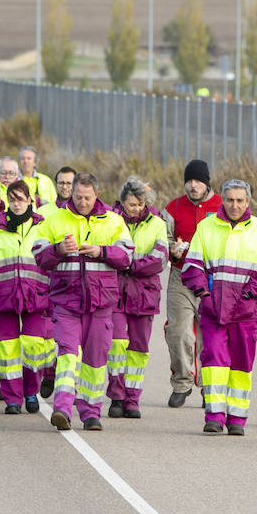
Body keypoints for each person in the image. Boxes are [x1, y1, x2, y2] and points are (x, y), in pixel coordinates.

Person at [32, 172, 133, 432]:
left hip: (101, 304)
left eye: (87, 198)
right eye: (78, 197)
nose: (83, 202)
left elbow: (127, 257)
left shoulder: (114, 221)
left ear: (96, 195)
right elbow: (39, 256)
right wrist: (58, 250)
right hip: (66, 301)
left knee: (96, 361)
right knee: (67, 355)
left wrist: (102, 251)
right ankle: (62, 409)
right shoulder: (53, 220)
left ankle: (90, 413)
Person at [182, 179, 257, 436]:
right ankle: (214, 415)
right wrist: (204, 294)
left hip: (246, 312)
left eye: (240, 200)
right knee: (214, 360)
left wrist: (248, 294)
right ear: (222, 200)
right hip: (213, 310)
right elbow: (192, 266)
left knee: (241, 365)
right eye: (230, 200)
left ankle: (237, 418)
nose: (234, 205)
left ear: (248, 202)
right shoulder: (206, 227)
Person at [0, 180, 47, 414]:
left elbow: (52, 265)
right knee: (7, 351)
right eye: (12, 199)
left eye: (21, 199)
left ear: (30, 200)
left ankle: (31, 392)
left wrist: (53, 297)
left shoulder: (42, 228)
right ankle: (13, 399)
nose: (17, 204)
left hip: (36, 299)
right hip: (4, 299)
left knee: (35, 347)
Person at [161, 159, 222, 407]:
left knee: (210, 335)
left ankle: (209, 386)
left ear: (207, 182)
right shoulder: (174, 207)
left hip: (212, 279)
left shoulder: (222, 206)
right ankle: (182, 383)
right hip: (181, 275)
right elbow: (162, 238)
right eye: (189, 181)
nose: (193, 186)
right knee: (179, 332)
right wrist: (170, 250)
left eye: (197, 181)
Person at [107, 177, 168, 419]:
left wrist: (126, 264)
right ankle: (116, 397)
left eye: (141, 203)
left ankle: (133, 399)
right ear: (122, 202)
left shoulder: (157, 223)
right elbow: (107, 252)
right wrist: (122, 262)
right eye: (132, 204)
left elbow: (159, 259)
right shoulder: (111, 221)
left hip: (144, 295)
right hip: (115, 293)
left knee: (139, 349)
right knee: (116, 345)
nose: (137, 208)